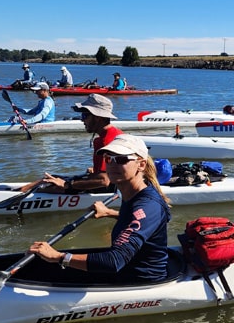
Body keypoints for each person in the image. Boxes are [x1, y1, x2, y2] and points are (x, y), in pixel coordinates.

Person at [28, 134, 172, 283]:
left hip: (140, 279)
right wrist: (109, 212)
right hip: (125, 269)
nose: (112, 165)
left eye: (121, 159)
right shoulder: (133, 192)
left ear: (141, 165)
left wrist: (58, 257)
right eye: (108, 159)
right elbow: (141, 219)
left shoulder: (148, 204)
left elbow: (114, 261)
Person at [20, 93, 123, 194]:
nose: (82, 120)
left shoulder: (106, 141)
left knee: (46, 187)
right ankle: (21, 190)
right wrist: (96, 171)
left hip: (109, 188)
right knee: (48, 179)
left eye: (84, 115)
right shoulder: (114, 133)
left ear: (97, 117)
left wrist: (67, 185)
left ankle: (22, 193)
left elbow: (103, 181)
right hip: (112, 183)